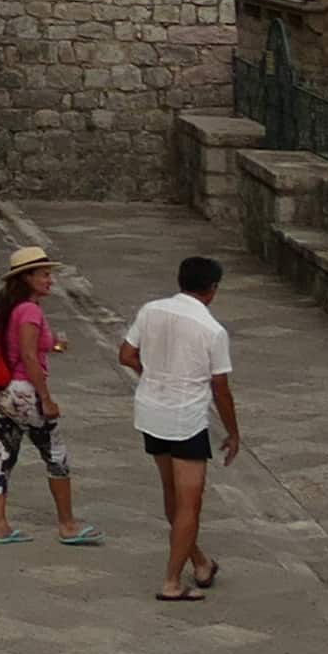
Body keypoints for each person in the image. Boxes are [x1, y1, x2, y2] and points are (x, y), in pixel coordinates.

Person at [117, 255, 243, 602]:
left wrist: (154, 376)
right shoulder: (212, 330)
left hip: (150, 412)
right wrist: (233, 432)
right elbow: (221, 387)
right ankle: (172, 581)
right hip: (185, 419)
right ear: (213, 289)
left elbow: (126, 354)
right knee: (190, 503)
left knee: (171, 493)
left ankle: (200, 562)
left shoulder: (151, 310)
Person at [0, 243, 95, 548]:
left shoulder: (11, 309)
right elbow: (29, 357)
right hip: (25, 393)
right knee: (55, 454)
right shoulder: (30, 311)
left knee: (3, 454)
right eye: (44, 275)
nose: (50, 280)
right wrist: (46, 398)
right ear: (28, 278)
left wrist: (52, 345)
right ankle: (67, 525)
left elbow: (22, 349)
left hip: (2, 393)